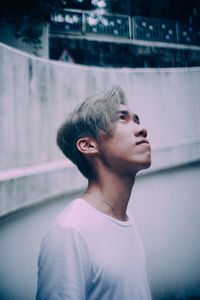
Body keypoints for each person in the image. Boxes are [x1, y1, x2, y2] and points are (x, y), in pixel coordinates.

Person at [36, 85, 152, 300]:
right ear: (88, 145)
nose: (141, 128)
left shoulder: (126, 219)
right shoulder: (70, 232)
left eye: (137, 120)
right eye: (122, 119)